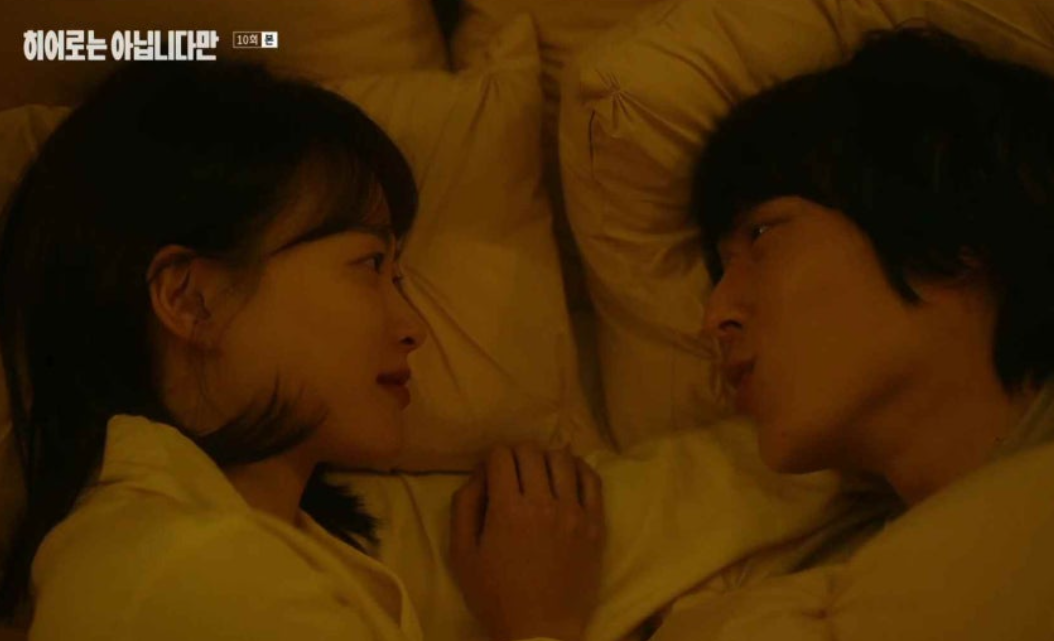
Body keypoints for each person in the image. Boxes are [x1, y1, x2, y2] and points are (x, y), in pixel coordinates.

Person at [0, 60, 604, 641]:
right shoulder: (187, 575)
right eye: (369, 264)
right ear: (192, 300)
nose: (413, 326)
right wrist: (540, 623)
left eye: (397, 276)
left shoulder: (228, 554)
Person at [639, 24, 1054, 640]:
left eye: (762, 236)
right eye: (720, 270)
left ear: (952, 227)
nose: (715, 316)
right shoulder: (828, 583)